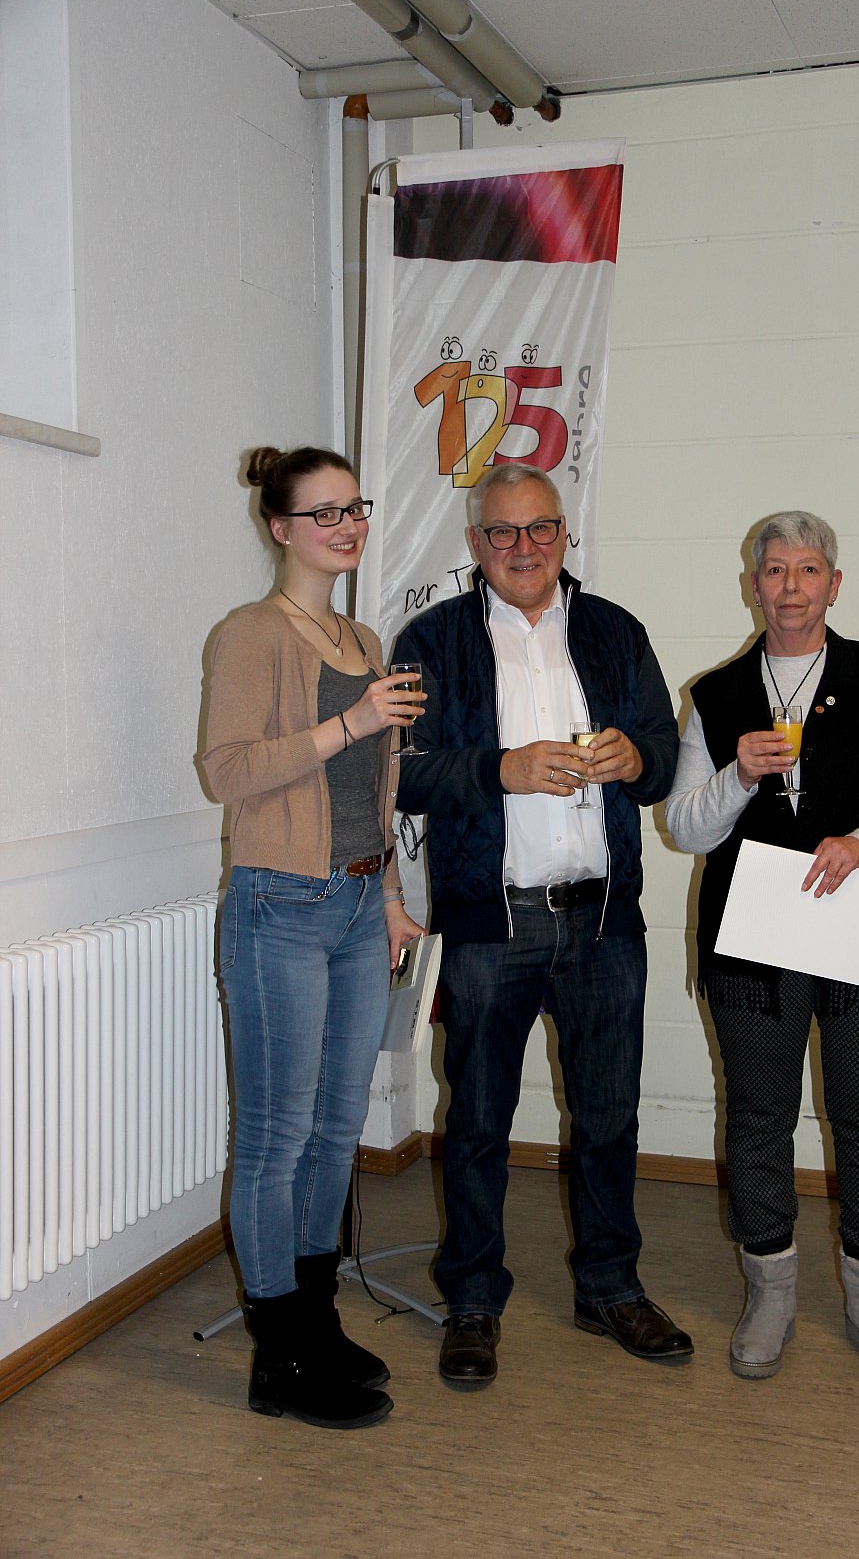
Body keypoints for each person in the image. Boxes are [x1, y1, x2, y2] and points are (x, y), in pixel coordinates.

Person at [392, 463, 692, 1387]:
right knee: (478, 1122)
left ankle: (608, 1287)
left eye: (541, 529)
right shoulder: (432, 639)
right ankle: (472, 1299)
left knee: (607, 1118)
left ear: (564, 535)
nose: (523, 547)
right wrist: (500, 770)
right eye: (503, 532)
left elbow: (665, 759)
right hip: (491, 924)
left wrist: (636, 756)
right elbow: (401, 773)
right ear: (474, 544)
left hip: (603, 920)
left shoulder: (614, 631)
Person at [665, 511, 859, 1387]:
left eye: (807, 569)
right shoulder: (714, 694)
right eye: (774, 570)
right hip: (753, 941)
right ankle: (770, 1290)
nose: (789, 586)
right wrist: (736, 775)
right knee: (757, 1114)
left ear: (833, 584)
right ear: (751, 585)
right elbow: (684, 827)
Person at [201, 444, 424, 1428]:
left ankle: (316, 1319)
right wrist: (350, 723)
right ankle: (277, 1353)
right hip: (280, 905)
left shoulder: (362, 638)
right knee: (275, 1137)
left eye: (355, 508)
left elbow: (375, 790)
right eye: (325, 512)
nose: (347, 526)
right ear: (281, 528)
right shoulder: (250, 634)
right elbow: (226, 771)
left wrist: (391, 894)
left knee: (337, 1129)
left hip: (358, 903)